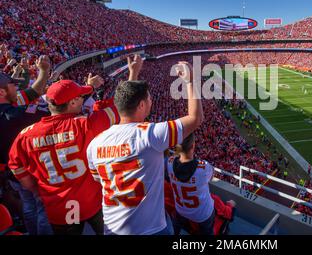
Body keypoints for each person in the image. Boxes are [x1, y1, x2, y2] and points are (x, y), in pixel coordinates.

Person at [8, 55, 142, 235]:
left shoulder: (26, 135)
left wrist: (35, 189)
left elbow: (16, 167)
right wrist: (133, 73)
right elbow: (123, 106)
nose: (83, 99)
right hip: (91, 202)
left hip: (59, 208)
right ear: (72, 102)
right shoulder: (86, 124)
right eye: (80, 97)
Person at [86, 61, 204, 235]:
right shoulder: (149, 134)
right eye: (149, 98)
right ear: (141, 105)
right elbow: (195, 118)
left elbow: (98, 179)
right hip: (150, 229)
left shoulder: (95, 143)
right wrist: (190, 81)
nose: (151, 101)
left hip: (112, 228)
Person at [0, 56, 52, 235]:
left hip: (13, 176)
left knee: (29, 206)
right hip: (27, 171)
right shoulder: (15, 115)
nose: (17, 86)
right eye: (12, 85)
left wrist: (43, 71)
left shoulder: (12, 105)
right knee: (43, 208)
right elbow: (53, 112)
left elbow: (34, 92)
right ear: (2, 93)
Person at [167, 133, 216, 235]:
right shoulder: (203, 167)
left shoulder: (169, 163)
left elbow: (176, 159)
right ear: (193, 146)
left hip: (181, 209)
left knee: (175, 225)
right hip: (202, 214)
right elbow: (211, 176)